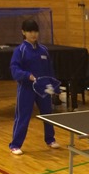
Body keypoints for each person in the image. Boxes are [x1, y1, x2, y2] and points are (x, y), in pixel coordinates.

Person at [8, 19, 59, 155]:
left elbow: (49, 69)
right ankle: (15, 144)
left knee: (47, 114)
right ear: (23, 32)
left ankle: (50, 139)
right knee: (23, 116)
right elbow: (14, 69)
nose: (33, 34)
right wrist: (27, 75)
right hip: (26, 89)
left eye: (35, 31)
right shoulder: (20, 50)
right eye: (30, 31)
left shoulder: (44, 50)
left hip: (43, 89)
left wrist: (52, 85)